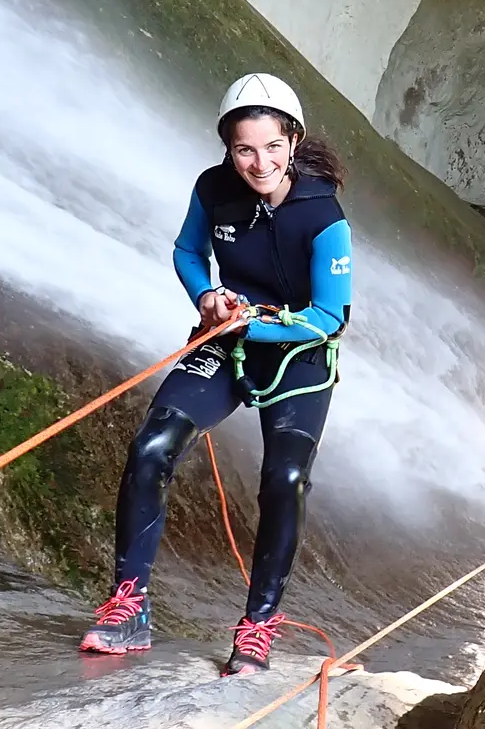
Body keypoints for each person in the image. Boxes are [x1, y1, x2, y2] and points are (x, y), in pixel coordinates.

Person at [80, 72, 352, 676]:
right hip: (226, 341)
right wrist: (206, 297)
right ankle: (130, 610)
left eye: (273, 147)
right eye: (244, 149)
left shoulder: (323, 215)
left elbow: (332, 318)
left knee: (284, 478)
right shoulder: (213, 189)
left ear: (294, 142)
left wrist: (249, 327)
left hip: (298, 355)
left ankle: (257, 627)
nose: (260, 162)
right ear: (228, 148)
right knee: (152, 444)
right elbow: (186, 251)